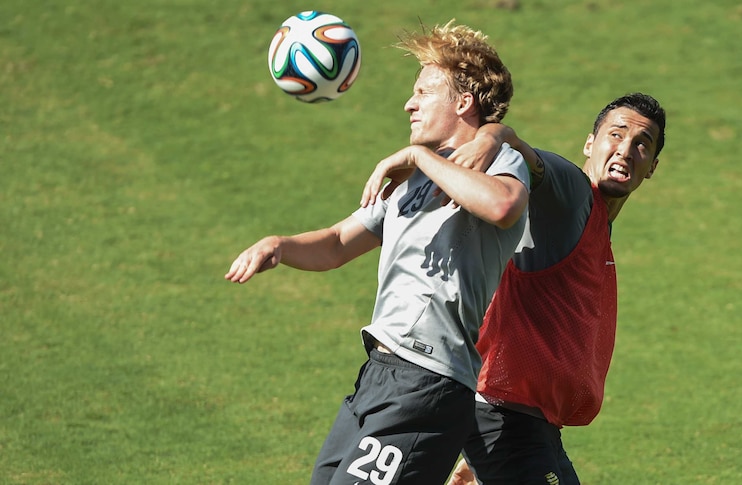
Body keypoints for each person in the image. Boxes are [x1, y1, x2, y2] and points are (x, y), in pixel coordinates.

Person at [225, 21, 530, 485]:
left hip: (428, 379)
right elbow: (337, 244)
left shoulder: (498, 161)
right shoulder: (412, 182)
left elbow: (503, 206)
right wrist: (280, 246)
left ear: (463, 102)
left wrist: (419, 157)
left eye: (424, 92)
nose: (409, 103)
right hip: (380, 375)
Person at [443, 93, 667, 485]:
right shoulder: (574, 191)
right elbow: (523, 152)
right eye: (616, 135)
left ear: (652, 167)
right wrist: (492, 137)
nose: (627, 150)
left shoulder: (597, 224)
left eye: (641, 145)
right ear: (589, 144)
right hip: (502, 413)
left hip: (528, 425)